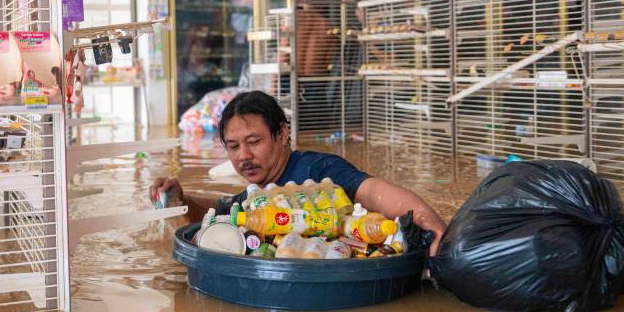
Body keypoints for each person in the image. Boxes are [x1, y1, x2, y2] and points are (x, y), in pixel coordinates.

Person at [150, 90, 447, 254]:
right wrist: (181, 198)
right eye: (233, 147)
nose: (244, 156)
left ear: (282, 134)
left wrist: (432, 229)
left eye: (254, 142)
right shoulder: (261, 196)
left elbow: (372, 191)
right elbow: (224, 209)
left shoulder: (317, 171)